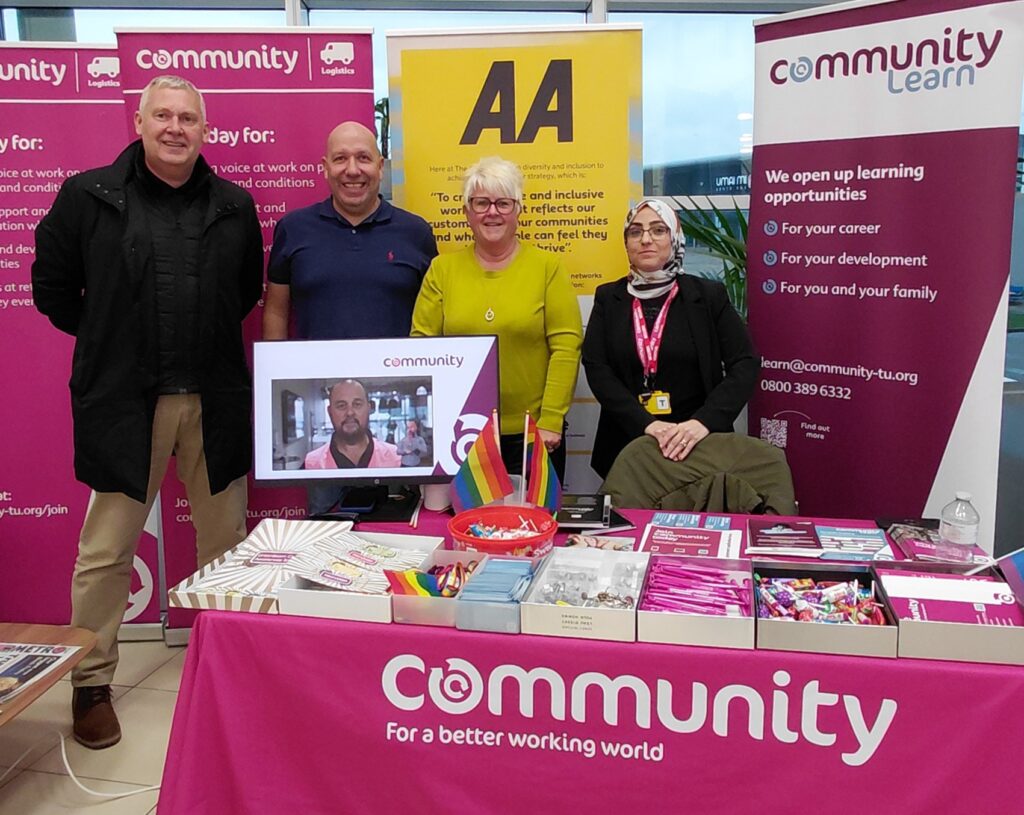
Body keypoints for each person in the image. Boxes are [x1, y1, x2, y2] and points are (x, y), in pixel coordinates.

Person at [32, 75, 262, 749]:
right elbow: (53, 290)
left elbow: (244, 290)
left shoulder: (233, 205)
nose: (175, 127)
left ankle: (229, 661)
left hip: (213, 396)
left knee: (226, 543)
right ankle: (91, 680)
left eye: (188, 117)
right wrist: (112, 338)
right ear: (138, 121)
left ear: (204, 129)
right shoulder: (87, 195)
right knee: (106, 551)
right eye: (162, 114)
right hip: (125, 399)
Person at [264, 121, 436, 511]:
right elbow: (276, 310)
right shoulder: (294, 229)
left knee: (404, 534)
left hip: (398, 442)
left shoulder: (416, 232)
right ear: (324, 167)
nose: (352, 170)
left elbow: (435, 319)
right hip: (327, 449)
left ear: (381, 166)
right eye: (340, 159)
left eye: (363, 158)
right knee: (325, 539)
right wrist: (271, 386)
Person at [411, 157, 582, 479]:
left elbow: (566, 347)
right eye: (481, 203)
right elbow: (421, 347)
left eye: (503, 203)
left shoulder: (547, 268)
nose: (492, 212)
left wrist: (551, 420)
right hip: (460, 435)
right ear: (466, 211)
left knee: (534, 525)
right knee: (463, 525)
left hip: (534, 435)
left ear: (518, 210)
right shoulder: (442, 271)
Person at [582, 198, 760, 479]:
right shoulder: (609, 298)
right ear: (626, 242)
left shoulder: (708, 296)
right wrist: (648, 425)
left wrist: (702, 422)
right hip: (629, 445)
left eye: (658, 230)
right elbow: (597, 368)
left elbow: (745, 363)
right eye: (636, 231)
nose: (646, 239)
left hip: (701, 444)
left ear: (675, 238)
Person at [304, 380, 401, 469]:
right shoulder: (311, 464)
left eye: (357, 404)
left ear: (368, 409)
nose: (350, 412)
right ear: (330, 412)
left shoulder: (396, 459)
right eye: (341, 406)